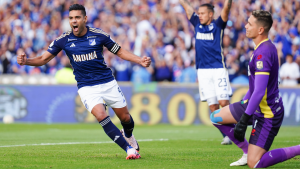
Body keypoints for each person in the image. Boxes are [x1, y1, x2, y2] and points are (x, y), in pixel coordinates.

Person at [17, 4, 151, 160]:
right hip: (86, 86)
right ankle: (129, 149)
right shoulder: (63, 39)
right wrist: (26, 61)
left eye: (77, 18)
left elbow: (120, 51)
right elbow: (43, 59)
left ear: (85, 19)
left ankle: (128, 135)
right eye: (71, 18)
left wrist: (140, 60)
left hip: (107, 82)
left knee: (126, 118)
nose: (74, 21)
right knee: (101, 115)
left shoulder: (99, 35)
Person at [210, 10, 300, 167]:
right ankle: (246, 152)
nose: (245, 25)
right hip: (255, 105)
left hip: (267, 113)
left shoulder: (263, 53)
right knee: (216, 117)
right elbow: (253, 88)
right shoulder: (262, 48)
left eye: (249, 23)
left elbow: (259, 91)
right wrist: (244, 102)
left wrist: (244, 119)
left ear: (260, 30)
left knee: (255, 164)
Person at [179, 0, 233, 145]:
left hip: (218, 69)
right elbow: (187, 8)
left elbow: (227, 9)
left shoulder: (218, 25)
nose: (200, 15)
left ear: (210, 14)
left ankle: (235, 129)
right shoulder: (197, 23)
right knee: (213, 107)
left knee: (223, 102)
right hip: (202, 71)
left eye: (202, 13)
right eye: (199, 13)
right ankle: (227, 135)